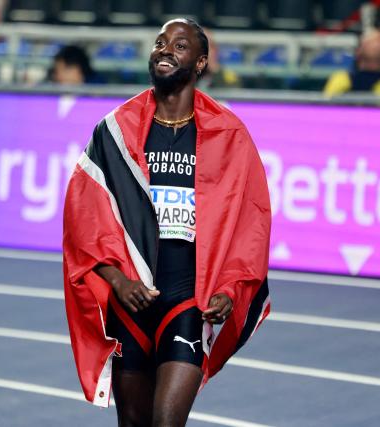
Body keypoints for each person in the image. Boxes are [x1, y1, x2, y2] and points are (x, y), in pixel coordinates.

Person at [63, 18, 271, 426]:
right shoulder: (115, 132)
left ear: (200, 63)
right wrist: (119, 282)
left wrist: (230, 287)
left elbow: (250, 223)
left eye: (179, 46)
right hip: (132, 301)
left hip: (189, 300)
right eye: (160, 43)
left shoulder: (229, 135)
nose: (165, 50)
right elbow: (83, 221)